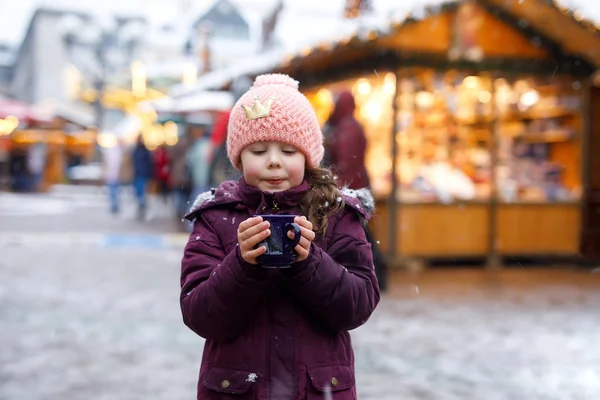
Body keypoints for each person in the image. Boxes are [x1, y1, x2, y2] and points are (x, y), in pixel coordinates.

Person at [180, 74, 380, 400]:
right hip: (238, 389)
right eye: (258, 150)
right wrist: (242, 265)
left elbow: (357, 305)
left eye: (288, 150)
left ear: (307, 156)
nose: (274, 161)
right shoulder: (216, 218)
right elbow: (200, 314)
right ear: (238, 157)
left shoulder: (336, 214)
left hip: (317, 390)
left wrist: (309, 262)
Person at [326, 90, 388, 291]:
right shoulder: (349, 126)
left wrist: (338, 186)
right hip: (355, 184)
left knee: (361, 234)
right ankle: (376, 274)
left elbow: (346, 163)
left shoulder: (347, 128)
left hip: (351, 187)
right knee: (362, 233)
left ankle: (377, 274)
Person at [131, 135, 153, 220]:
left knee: (143, 193)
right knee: (138, 193)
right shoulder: (135, 151)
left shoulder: (145, 151)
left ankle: (142, 207)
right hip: (137, 175)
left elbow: (149, 164)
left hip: (144, 175)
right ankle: (140, 206)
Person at [102, 140, 124, 214]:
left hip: (113, 175)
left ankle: (114, 205)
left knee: (113, 191)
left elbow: (106, 164)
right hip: (114, 175)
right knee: (114, 191)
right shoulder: (119, 153)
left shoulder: (113, 153)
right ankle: (115, 204)